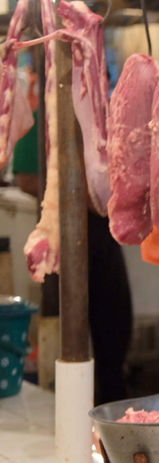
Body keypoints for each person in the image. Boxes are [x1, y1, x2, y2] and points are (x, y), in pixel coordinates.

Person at [13, 59, 132, 406]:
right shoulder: (49, 114)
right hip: (60, 231)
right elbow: (25, 178)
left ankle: (112, 408)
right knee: (63, 329)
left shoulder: (107, 119)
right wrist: (72, 191)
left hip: (103, 232)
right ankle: (62, 409)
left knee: (115, 326)